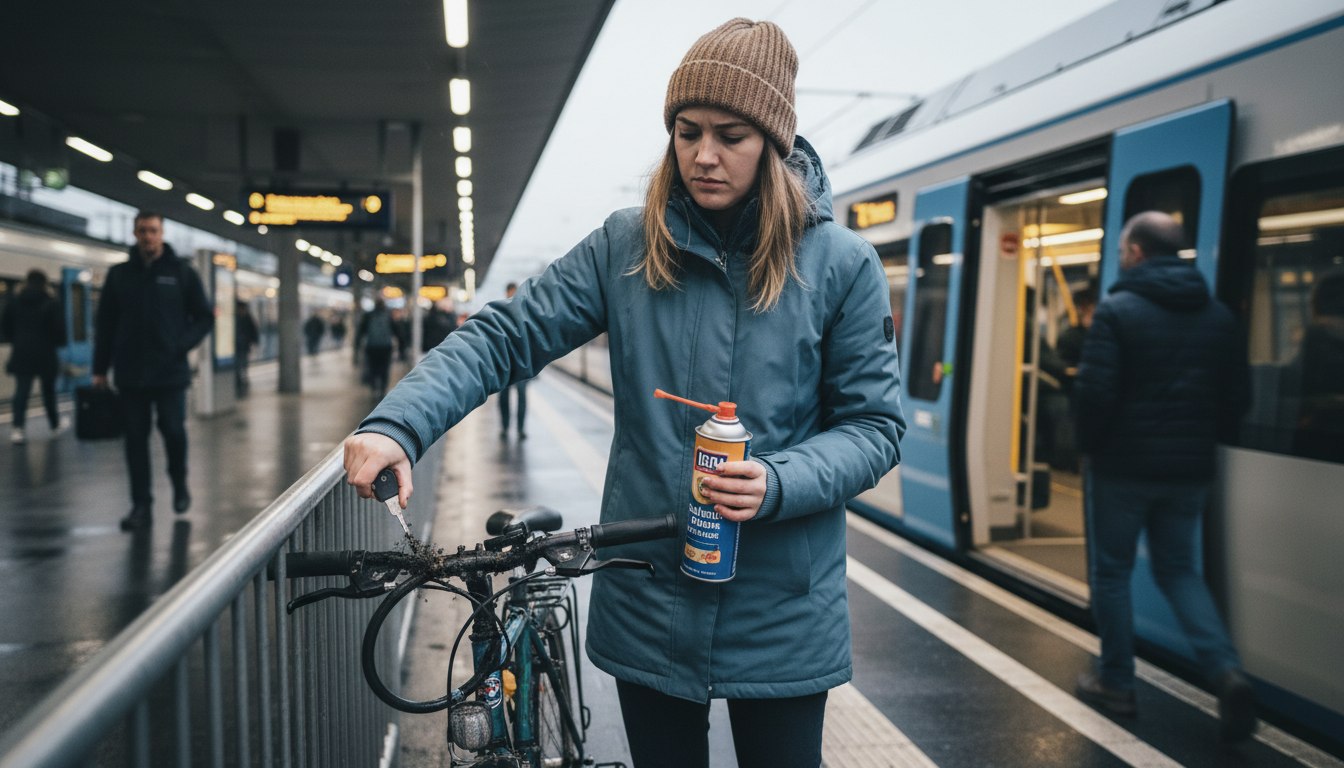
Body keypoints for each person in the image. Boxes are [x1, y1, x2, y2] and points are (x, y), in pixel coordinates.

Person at [342, 19, 903, 768]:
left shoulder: (841, 266)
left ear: (773, 143)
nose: (703, 154)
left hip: (783, 609)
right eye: (687, 130)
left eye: (730, 135)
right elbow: (506, 335)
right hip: (650, 595)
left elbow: (873, 427)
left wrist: (777, 480)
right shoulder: (626, 245)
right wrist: (398, 424)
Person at [1072, 211, 1255, 742]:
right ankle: (1226, 672)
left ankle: (1117, 682)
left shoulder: (1117, 311)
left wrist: (1089, 448)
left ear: (1135, 253)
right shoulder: (1219, 316)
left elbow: (1096, 396)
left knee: (1112, 573)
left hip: (1123, 470)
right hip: (1190, 472)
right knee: (1180, 570)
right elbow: (1237, 400)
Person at [93, 211, 214, 531]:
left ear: (162, 233)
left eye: (154, 230)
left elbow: (204, 317)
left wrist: (180, 345)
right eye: (143, 230)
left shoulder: (181, 273)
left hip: (170, 373)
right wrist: (100, 369)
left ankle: (179, 482)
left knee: (173, 430)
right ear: (135, 234)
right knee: (135, 440)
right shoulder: (119, 275)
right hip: (130, 374)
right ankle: (141, 505)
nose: (148, 236)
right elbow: (105, 324)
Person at [3, 269, 67, 444]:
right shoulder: (51, 302)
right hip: (45, 352)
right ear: (45, 283)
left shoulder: (14, 301)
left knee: (21, 391)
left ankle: (18, 429)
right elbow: (59, 330)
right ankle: (54, 425)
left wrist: (16, 339)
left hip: (22, 351)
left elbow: (6, 327)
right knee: (48, 392)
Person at [496, 282, 527, 439]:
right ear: (507, 293)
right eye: (511, 292)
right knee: (503, 398)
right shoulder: (501, 311)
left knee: (521, 396)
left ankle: (520, 429)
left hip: (520, 364)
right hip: (505, 364)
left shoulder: (524, 311)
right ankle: (505, 427)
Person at [355, 298, 395, 397]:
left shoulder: (368, 315)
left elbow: (361, 331)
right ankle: (383, 389)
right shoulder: (388, 315)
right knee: (384, 368)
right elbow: (396, 330)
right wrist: (403, 345)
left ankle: (373, 388)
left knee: (373, 368)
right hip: (386, 347)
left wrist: (357, 344)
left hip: (372, 347)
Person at [234, 300, 259, 397]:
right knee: (239, 364)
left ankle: (241, 380)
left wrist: (254, 342)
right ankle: (240, 380)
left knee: (242, 364)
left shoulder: (247, 318)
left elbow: (253, 331)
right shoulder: (242, 318)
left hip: (243, 346)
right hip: (238, 347)